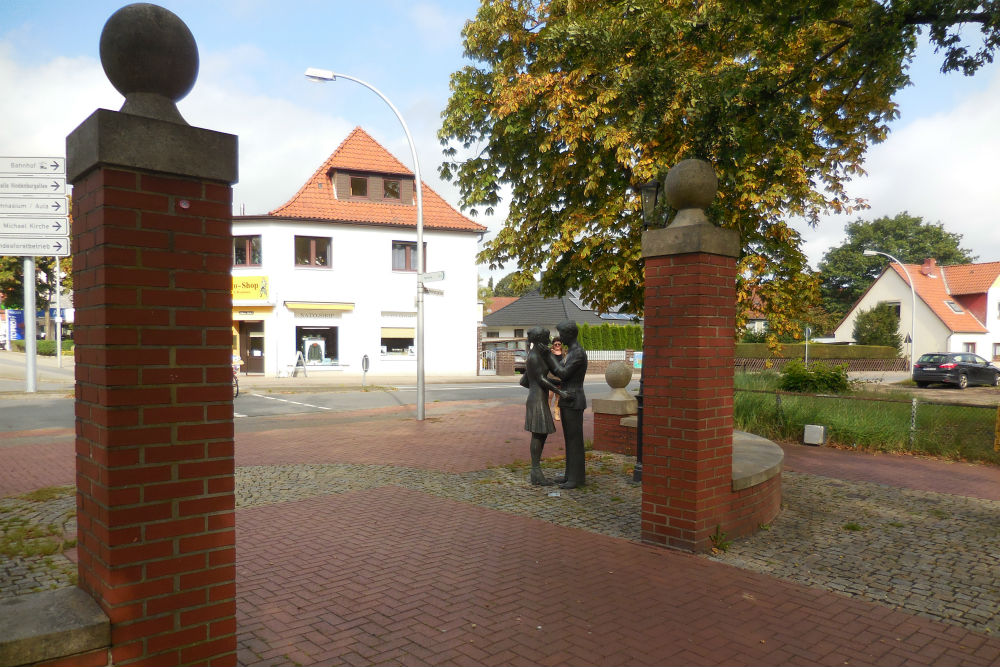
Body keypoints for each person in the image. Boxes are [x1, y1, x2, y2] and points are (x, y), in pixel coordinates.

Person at [520, 326, 569, 486]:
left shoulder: (537, 355)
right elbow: (541, 379)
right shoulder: (534, 357)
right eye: (546, 338)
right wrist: (559, 392)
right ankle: (536, 471)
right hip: (537, 399)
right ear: (540, 339)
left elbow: (526, 380)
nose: (548, 342)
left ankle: (536, 471)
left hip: (537, 397)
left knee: (541, 434)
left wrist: (555, 383)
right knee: (538, 434)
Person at [545, 320, 588, 489]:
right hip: (567, 398)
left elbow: (563, 373)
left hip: (574, 399)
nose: (560, 338)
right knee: (569, 439)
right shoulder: (571, 352)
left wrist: (548, 356)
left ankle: (577, 478)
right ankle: (570, 474)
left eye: (562, 334)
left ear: (570, 334)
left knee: (575, 440)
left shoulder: (577, 353)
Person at [548, 337, 563, 421]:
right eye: (555, 344)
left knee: (558, 397)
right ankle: (548, 414)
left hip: (560, 379)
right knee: (549, 397)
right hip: (551, 377)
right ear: (553, 345)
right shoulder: (550, 353)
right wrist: (551, 354)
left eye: (559, 344)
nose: (557, 346)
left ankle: (556, 414)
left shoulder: (564, 353)